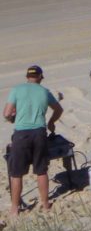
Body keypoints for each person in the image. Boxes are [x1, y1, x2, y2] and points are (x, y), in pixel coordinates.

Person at [4, 65, 63, 218]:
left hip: (21, 134)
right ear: (40, 77)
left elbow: (6, 113)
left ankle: (15, 209)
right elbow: (58, 109)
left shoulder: (16, 90)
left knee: (16, 173)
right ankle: (45, 204)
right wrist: (51, 122)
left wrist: (13, 118)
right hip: (39, 133)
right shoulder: (44, 91)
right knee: (41, 170)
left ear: (27, 76)